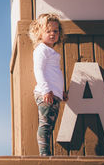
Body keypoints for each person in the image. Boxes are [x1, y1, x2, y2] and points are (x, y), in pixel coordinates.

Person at [29, 13, 68, 156]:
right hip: (45, 94)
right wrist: (46, 90)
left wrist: (61, 91)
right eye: (48, 31)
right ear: (39, 33)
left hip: (54, 94)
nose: (52, 34)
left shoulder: (51, 51)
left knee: (50, 126)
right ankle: (44, 154)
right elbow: (38, 70)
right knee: (45, 125)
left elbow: (54, 74)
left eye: (55, 31)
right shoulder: (41, 49)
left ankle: (47, 153)